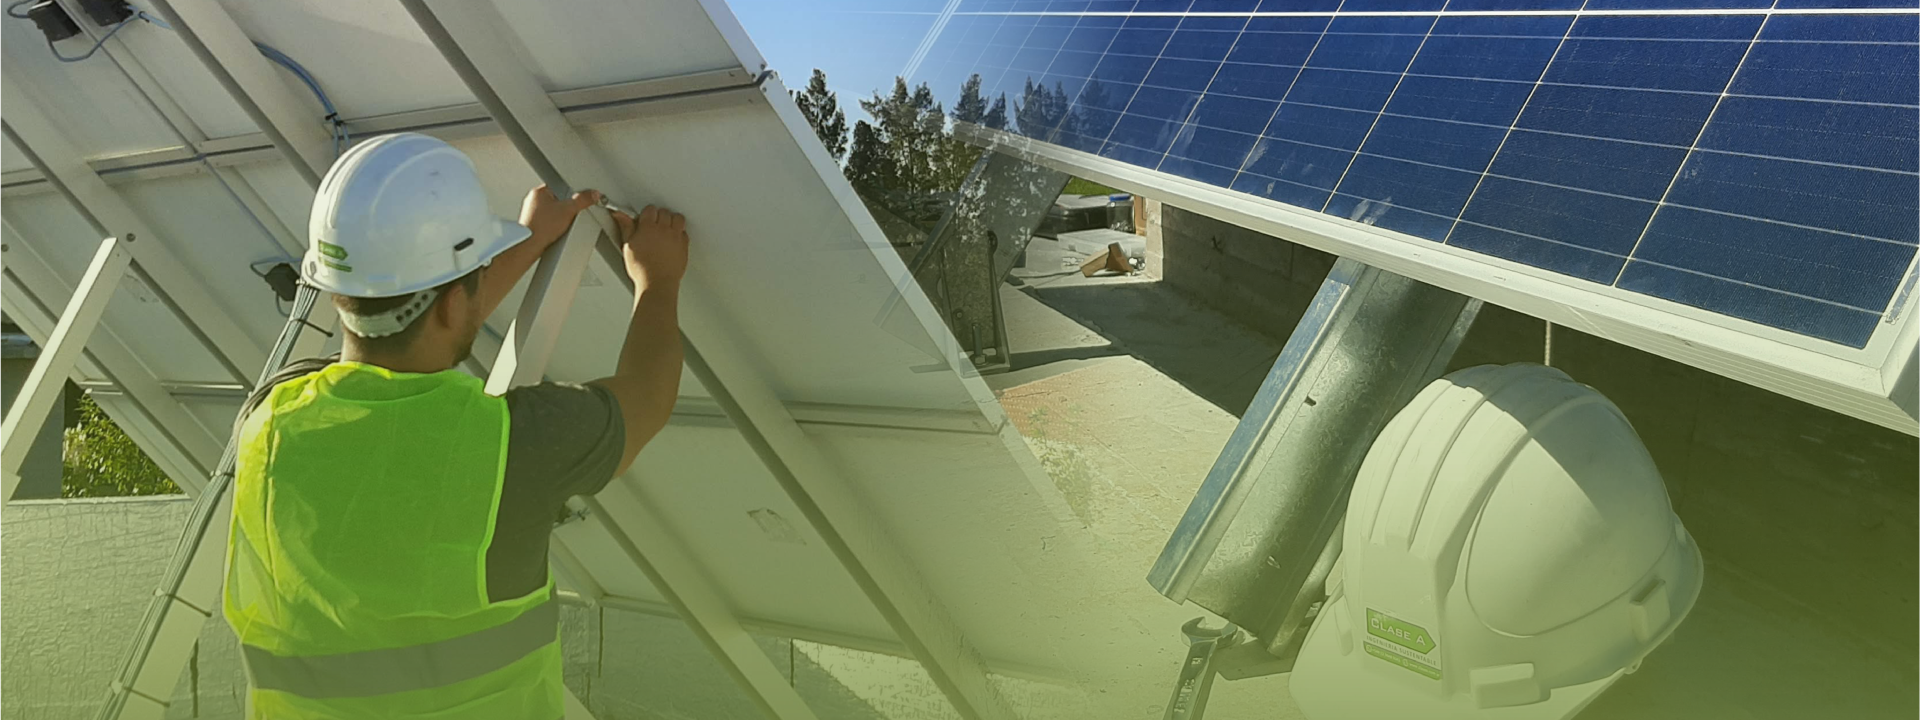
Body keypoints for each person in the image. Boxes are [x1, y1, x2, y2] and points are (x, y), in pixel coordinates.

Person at [221, 132, 689, 719]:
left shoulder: (269, 416)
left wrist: (527, 241)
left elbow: (410, 338)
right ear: (450, 304)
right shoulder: (517, 445)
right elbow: (647, 398)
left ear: (339, 292)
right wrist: (658, 279)